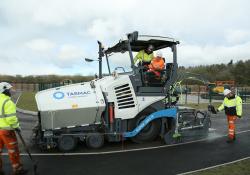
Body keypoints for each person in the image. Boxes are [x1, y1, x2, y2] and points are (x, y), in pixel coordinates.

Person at [0, 82, 27, 175]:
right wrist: (17, 127)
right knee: (13, 150)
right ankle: (17, 169)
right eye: (9, 89)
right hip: (7, 131)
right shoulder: (8, 102)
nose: (10, 91)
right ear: (4, 90)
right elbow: (11, 118)